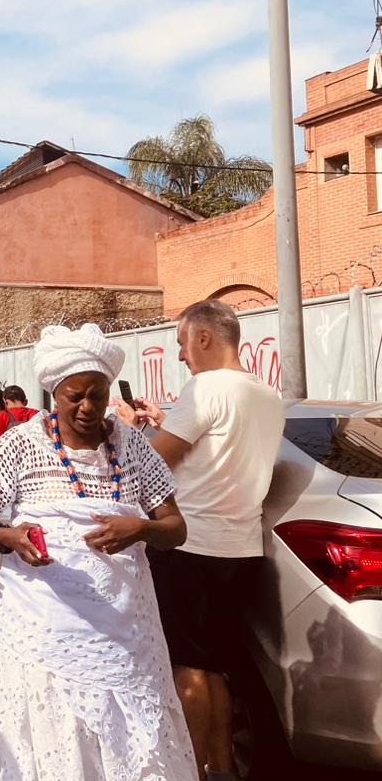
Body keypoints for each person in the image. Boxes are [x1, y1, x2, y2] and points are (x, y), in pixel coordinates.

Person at [0, 323, 195, 781]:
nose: (88, 407)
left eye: (98, 394)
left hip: (126, 633)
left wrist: (141, 528)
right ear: (54, 393)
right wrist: (7, 537)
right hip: (45, 633)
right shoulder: (19, 445)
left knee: (134, 741)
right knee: (58, 742)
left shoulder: (133, 448)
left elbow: (176, 528)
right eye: (75, 396)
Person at [118, 299, 284, 780]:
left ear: (205, 338)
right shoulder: (266, 394)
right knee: (215, 666)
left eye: (182, 345)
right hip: (241, 548)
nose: (181, 357)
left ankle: (189, 769)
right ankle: (222, 769)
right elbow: (215, 450)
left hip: (190, 546)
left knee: (188, 670)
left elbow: (153, 467)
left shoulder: (205, 387)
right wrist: (163, 422)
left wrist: (133, 432)